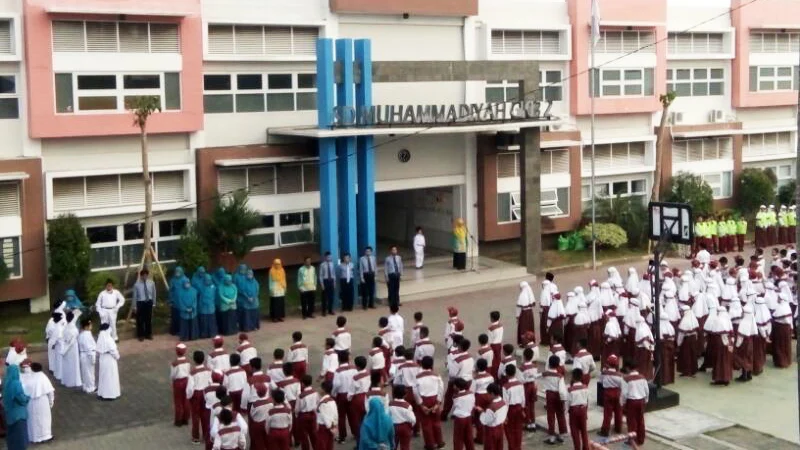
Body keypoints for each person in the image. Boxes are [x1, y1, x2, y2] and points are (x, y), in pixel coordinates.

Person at [414, 356, 444, 450]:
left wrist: (421, 405)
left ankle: (430, 444)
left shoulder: (417, 377)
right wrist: (438, 403)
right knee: (436, 422)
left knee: (426, 424)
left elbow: (415, 391)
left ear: (421, 365)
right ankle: (439, 442)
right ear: (432, 365)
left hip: (424, 399)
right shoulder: (437, 376)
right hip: (434, 399)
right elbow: (441, 389)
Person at [187, 351, 213, 445]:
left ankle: (196, 437)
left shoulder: (192, 373)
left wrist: (189, 396)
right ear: (204, 359)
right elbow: (210, 381)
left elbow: (190, 388)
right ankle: (206, 436)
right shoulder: (208, 370)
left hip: (196, 394)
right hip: (206, 392)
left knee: (195, 416)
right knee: (206, 415)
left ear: (194, 360)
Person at [540, 355, 567, 445]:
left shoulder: (546, 374)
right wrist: (563, 400)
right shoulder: (560, 376)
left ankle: (551, 436)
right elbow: (562, 390)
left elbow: (537, 376)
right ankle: (562, 435)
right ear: (558, 364)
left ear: (549, 363)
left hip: (549, 395)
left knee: (550, 416)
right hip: (558, 395)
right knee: (560, 414)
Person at [621, 360, 648, 446]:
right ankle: (641, 439)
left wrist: (622, 403)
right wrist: (646, 400)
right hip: (641, 400)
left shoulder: (626, 379)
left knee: (631, 422)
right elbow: (647, 391)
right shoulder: (643, 377)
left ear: (628, 368)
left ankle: (632, 440)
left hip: (631, 402)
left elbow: (624, 394)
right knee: (640, 420)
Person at [333, 351, 357, 443]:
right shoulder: (354, 368)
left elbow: (336, 384)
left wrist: (333, 393)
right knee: (352, 415)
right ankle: (355, 433)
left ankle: (342, 436)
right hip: (351, 393)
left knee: (341, 416)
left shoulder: (338, 371)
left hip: (341, 395)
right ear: (348, 358)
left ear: (339, 359)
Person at [3, 365, 29, 450]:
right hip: (18, 415)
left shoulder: (5, 382)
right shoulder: (16, 383)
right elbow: (21, 398)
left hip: (9, 413)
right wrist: (27, 398)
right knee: (20, 438)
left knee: (12, 436)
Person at [598, 355, 623, 437]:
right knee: (618, 412)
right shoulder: (619, 375)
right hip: (617, 393)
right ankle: (618, 428)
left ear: (608, 363)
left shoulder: (604, 373)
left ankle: (605, 431)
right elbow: (621, 385)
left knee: (607, 413)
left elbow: (600, 381)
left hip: (608, 394)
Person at [476, 383, 507, 450]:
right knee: (499, 447)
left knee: (490, 447)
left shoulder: (491, 407)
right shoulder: (503, 402)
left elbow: (485, 421)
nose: (487, 396)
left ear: (492, 393)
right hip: (500, 428)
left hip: (491, 431)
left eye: (488, 394)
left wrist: (481, 412)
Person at [501, 365, 524, 450]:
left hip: (510, 409)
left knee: (509, 431)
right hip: (519, 408)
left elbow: (505, 402)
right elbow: (523, 398)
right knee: (518, 429)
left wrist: (504, 415)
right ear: (515, 372)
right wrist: (523, 409)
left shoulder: (505, 386)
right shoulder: (520, 384)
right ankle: (518, 447)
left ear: (506, 374)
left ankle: (512, 447)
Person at [96, 323, 121, 400]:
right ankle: (110, 394)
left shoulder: (100, 338)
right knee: (110, 376)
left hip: (102, 358)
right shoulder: (109, 339)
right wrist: (117, 356)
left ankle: (102, 393)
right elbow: (113, 350)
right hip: (110, 359)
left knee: (103, 376)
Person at [566, 368, 589, 450]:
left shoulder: (570, 390)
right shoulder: (585, 387)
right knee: (584, 430)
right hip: (583, 409)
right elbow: (586, 400)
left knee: (574, 431)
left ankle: (577, 448)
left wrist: (566, 411)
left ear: (572, 377)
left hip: (574, 410)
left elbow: (568, 402)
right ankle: (586, 447)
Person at [771, 282, 793, 368]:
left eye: (778, 298)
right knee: (784, 345)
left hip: (781, 329)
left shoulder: (783, 308)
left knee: (781, 345)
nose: (777, 299)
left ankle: (782, 362)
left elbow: (780, 317)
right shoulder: (784, 306)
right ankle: (785, 361)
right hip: (783, 329)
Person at [60, 310, 82, 388]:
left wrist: (63, 350)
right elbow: (71, 342)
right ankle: (74, 381)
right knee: (74, 364)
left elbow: (75, 317)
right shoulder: (74, 329)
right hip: (72, 348)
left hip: (66, 347)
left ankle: (67, 380)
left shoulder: (65, 327)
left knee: (67, 364)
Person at [295, 375, 318, 450]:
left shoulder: (301, 396)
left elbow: (297, 408)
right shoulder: (315, 392)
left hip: (303, 416)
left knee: (304, 436)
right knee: (313, 434)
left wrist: (296, 414)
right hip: (313, 414)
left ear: (303, 384)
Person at [389, 385, 415, 450]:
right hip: (404, 427)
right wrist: (411, 426)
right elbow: (412, 419)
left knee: (393, 445)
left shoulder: (390, 404)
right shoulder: (407, 406)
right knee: (405, 446)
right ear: (405, 395)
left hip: (393, 426)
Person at [450, 378, 474, 450]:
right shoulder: (471, 393)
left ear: (457, 387)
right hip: (468, 416)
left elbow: (454, 407)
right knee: (469, 436)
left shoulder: (456, 397)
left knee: (458, 438)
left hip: (460, 418)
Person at [171, 343, 192, 426]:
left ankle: (178, 420)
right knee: (186, 400)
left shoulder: (175, 363)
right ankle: (186, 418)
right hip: (186, 380)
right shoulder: (187, 362)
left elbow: (172, 375)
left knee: (178, 401)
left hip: (178, 382)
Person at [133, 269, 156, 341]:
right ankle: (141, 335)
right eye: (143, 275)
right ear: (141, 276)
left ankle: (148, 334)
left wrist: (154, 303)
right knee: (140, 320)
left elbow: (154, 293)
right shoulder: (136, 285)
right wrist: (134, 306)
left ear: (147, 275)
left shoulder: (151, 283)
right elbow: (134, 296)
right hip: (140, 303)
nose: (145, 277)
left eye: (146, 275)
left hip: (149, 302)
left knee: (148, 319)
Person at [677, 305, 699, 378]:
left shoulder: (684, 321)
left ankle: (686, 371)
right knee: (692, 355)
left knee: (686, 356)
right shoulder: (693, 319)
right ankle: (693, 371)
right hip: (693, 339)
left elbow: (681, 334)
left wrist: (678, 343)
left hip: (686, 341)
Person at [316, 380, 338, 450]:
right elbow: (335, 414)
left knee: (322, 446)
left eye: (320, 387)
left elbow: (326, 418)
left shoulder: (323, 403)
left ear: (323, 390)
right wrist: (334, 426)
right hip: (332, 425)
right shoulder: (332, 400)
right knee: (329, 446)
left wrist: (330, 427)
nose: (319, 389)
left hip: (324, 428)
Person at [77, 318, 96, 394]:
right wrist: (92, 357)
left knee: (85, 372)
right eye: (90, 325)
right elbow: (88, 348)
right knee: (89, 372)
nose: (91, 326)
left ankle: (86, 386)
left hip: (83, 354)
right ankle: (91, 387)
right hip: (88, 355)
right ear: (86, 327)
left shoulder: (82, 334)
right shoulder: (86, 335)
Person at [170, 267, 190, 336]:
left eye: (179, 271)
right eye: (176, 271)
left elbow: (188, 290)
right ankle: (174, 330)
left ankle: (181, 331)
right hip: (175, 301)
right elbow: (171, 291)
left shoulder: (186, 279)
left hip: (183, 301)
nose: (177, 273)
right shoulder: (173, 280)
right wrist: (171, 300)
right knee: (175, 317)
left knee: (182, 317)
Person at [515, 282, 535, 346]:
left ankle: (524, 342)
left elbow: (519, 308)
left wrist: (517, 316)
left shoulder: (522, 295)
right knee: (530, 326)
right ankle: (531, 340)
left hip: (523, 314)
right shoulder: (530, 294)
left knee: (523, 328)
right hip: (530, 312)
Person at [198, 275, 218, 339]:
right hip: (203, 307)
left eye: (209, 280)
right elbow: (199, 298)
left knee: (212, 321)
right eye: (206, 280)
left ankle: (212, 333)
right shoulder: (201, 287)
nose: (208, 281)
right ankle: (204, 334)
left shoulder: (213, 287)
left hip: (211, 307)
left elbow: (215, 297)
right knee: (204, 322)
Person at [45, 313, 63, 379]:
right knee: (55, 357)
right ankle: (54, 370)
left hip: (52, 342)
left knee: (53, 357)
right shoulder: (57, 326)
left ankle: (54, 369)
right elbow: (57, 336)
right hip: (54, 343)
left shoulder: (55, 325)